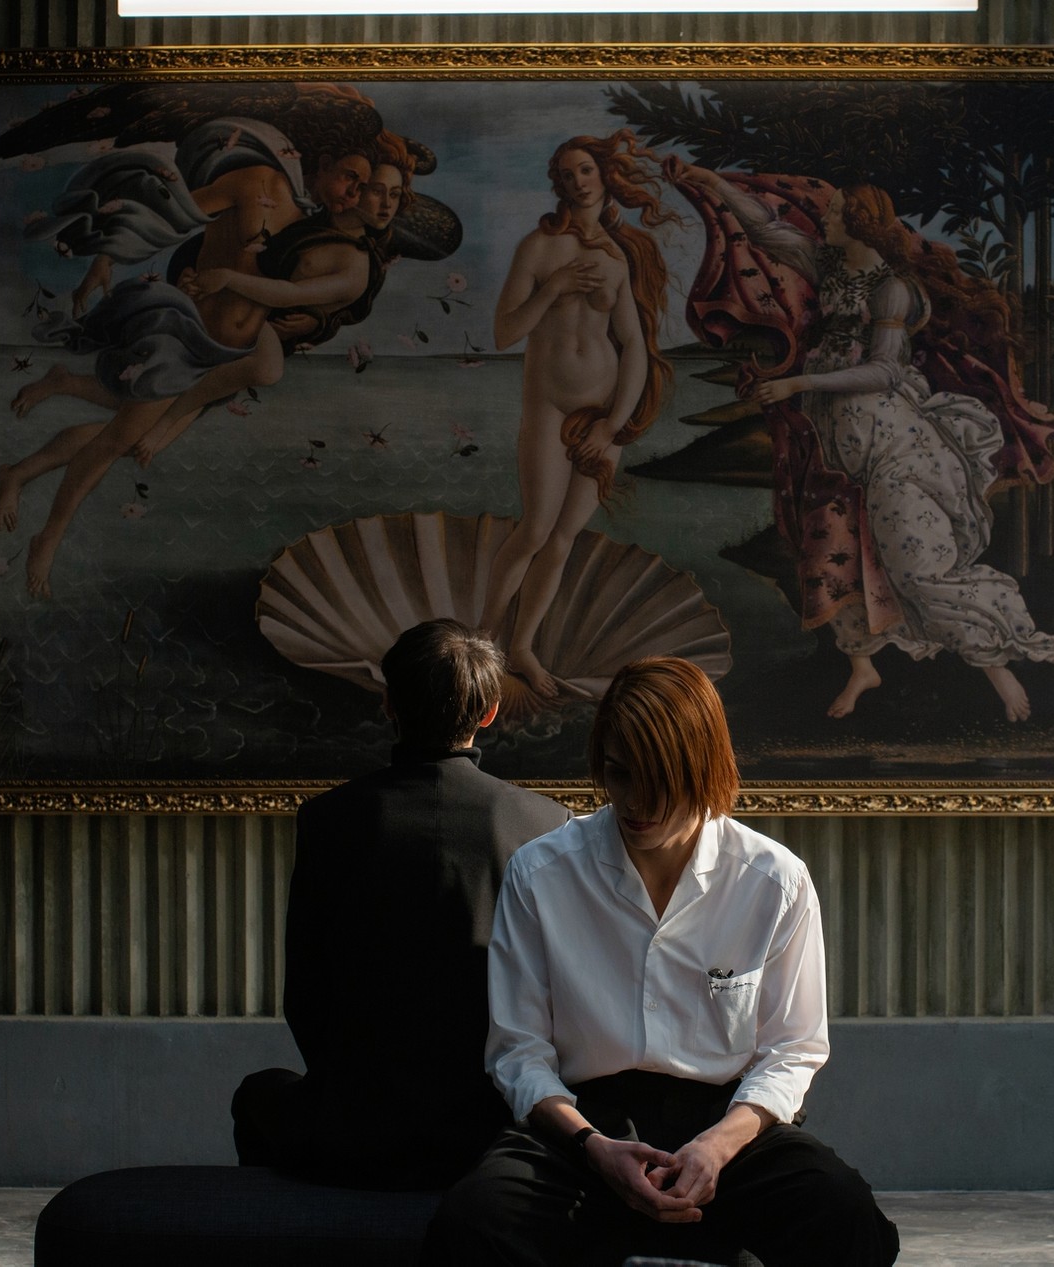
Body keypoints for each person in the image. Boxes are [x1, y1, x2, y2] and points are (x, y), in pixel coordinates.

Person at [421, 657, 899, 1266]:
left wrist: (717, 1147)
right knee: (474, 1225)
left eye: (658, 780)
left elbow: (792, 1050)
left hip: (725, 1125)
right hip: (580, 1126)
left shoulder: (773, 881)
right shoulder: (541, 873)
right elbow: (519, 1051)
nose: (634, 801)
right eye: (619, 773)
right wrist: (591, 1145)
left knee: (846, 1215)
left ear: (703, 769)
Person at [667, 159, 1054, 721]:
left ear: (858, 222)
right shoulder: (830, 266)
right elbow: (765, 229)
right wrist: (712, 184)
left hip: (890, 441)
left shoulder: (891, 290)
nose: (824, 218)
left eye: (835, 212)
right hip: (834, 438)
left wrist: (800, 382)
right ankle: (862, 666)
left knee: (915, 565)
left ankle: (998, 670)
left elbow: (884, 371)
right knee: (831, 551)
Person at [0, 128, 413, 595]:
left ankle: (31, 447)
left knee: (122, 429)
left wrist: (293, 311)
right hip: (184, 333)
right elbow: (172, 214)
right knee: (118, 440)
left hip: (222, 354)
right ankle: (48, 536)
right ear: (322, 164)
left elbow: (288, 294)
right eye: (353, 180)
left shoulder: (312, 231)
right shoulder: (259, 184)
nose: (356, 194)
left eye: (366, 187)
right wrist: (107, 257)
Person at [230, 619, 571, 1185]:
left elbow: (306, 994)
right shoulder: (546, 825)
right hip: (491, 1132)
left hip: (356, 1131)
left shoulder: (328, 819)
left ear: (388, 703)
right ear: (489, 712)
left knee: (257, 1093)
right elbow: (559, 998)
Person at [479, 132, 677, 702]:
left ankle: (522, 647)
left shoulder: (617, 255)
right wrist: (557, 288)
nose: (578, 182)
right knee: (535, 529)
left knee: (564, 536)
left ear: (604, 174)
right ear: (558, 184)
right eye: (567, 174)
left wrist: (613, 423)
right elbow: (504, 333)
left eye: (586, 170)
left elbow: (632, 345)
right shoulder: (538, 248)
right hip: (549, 406)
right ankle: (484, 641)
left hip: (602, 413)